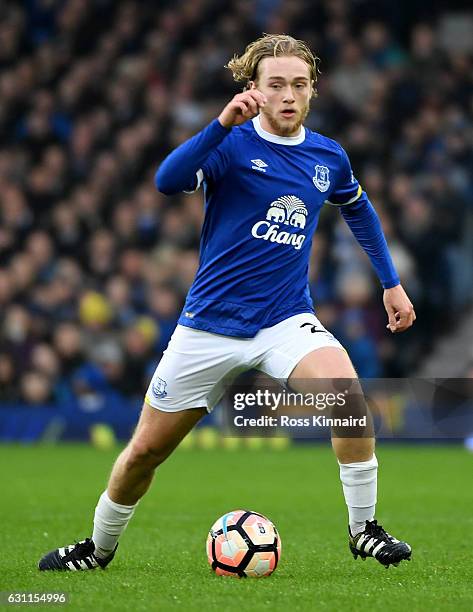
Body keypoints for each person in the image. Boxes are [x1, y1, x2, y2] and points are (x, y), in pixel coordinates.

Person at [39, 34, 415, 572]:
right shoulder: (232, 145)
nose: (288, 95)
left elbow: (357, 207)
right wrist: (220, 125)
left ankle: (364, 531)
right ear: (254, 90)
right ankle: (97, 549)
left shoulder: (327, 155)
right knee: (144, 453)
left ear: (312, 91)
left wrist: (390, 281)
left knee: (349, 402)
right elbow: (167, 181)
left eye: (299, 85)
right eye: (276, 84)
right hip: (208, 327)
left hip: (285, 319)